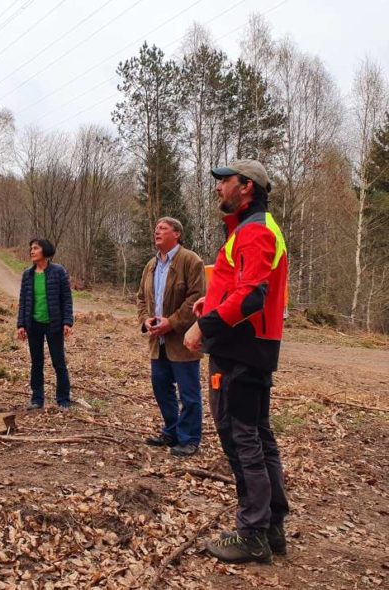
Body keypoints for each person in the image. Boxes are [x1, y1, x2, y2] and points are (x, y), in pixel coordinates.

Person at [184, 160, 290, 564]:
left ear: (246, 187)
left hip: (240, 351)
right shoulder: (250, 230)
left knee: (240, 438)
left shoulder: (255, 231)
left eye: (224, 181)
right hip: (250, 347)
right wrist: (208, 302)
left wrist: (202, 327)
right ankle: (273, 528)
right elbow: (240, 287)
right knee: (259, 438)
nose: (218, 188)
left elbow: (251, 298)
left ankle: (253, 533)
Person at [136, 217, 205, 457]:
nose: (157, 231)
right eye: (155, 228)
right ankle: (172, 431)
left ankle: (189, 439)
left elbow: (196, 298)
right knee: (161, 386)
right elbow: (141, 298)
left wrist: (172, 323)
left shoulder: (190, 260)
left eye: (163, 228)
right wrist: (145, 320)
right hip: (158, 341)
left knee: (188, 392)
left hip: (183, 341)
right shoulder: (150, 265)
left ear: (176, 234)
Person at [17, 238, 73, 410]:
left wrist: (67, 321)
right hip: (33, 324)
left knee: (59, 362)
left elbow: (67, 298)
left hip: (54, 324)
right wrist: (20, 325)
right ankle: (37, 399)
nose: (31, 251)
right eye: (31, 248)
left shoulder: (58, 271)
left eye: (35, 248)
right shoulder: (28, 274)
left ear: (45, 251)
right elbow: (23, 300)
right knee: (36, 362)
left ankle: (63, 399)